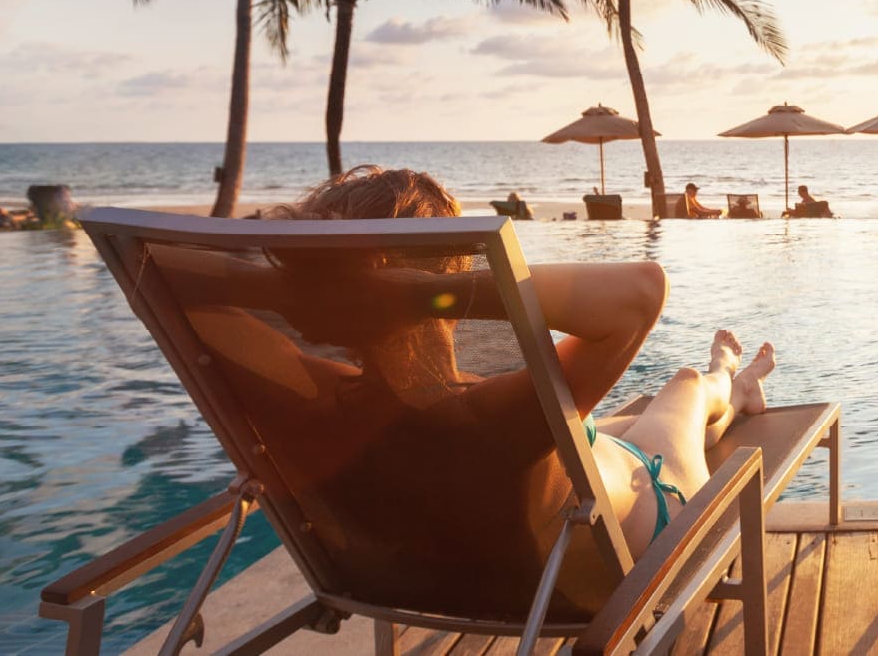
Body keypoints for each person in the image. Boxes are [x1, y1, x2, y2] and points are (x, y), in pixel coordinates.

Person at [152, 167, 771, 556]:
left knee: (615, 418)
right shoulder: (494, 415)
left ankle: (729, 392)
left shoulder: (315, 394)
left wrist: (319, 293)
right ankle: (732, 379)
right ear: (445, 276)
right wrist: (414, 289)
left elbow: (159, 272)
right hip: (651, 506)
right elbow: (641, 290)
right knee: (686, 387)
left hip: (546, 485)